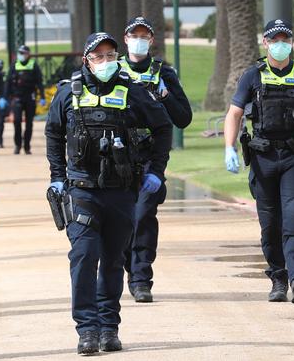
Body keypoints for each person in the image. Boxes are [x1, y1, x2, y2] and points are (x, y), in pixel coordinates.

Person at [46, 32, 173, 355]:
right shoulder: (68, 93)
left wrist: (156, 171)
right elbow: (53, 133)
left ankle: (108, 328)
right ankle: (87, 329)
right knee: (85, 257)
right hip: (81, 190)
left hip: (120, 191)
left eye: (110, 55)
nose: (105, 62)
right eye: (98, 56)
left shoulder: (132, 91)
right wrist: (58, 177)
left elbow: (162, 128)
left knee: (114, 260)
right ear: (86, 60)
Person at [223, 19, 294, 305]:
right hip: (263, 160)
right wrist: (229, 148)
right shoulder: (253, 75)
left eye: (285, 38)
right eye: (275, 39)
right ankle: (278, 277)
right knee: (270, 224)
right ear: (265, 42)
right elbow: (234, 113)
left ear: (292, 41)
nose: (280, 43)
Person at [119, 16, 193, 303]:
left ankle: (140, 278)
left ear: (151, 40)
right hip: (116, 155)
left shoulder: (164, 72)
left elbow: (183, 118)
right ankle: (128, 265)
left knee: (143, 215)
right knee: (122, 218)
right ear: (125, 39)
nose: (139, 39)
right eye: (133, 35)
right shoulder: (112, 69)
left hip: (150, 154)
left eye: (144, 35)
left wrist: (164, 95)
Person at [2, 45, 45, 154]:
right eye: (20, 53)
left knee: (29, 123)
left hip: (30, 97)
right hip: (17, 97)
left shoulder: (33, 65)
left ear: (28, 54)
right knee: (16, 121)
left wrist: (42, 97)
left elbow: (39, 82)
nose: (21, 55)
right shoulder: (14, 65)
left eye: (23, 53)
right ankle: (17, 145)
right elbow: (7, 82)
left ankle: (27, 146)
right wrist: (5, 97)